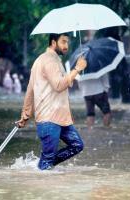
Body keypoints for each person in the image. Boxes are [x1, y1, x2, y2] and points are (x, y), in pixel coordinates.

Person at [16, 33, 87, 170]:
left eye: (67, 42)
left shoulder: (45, 60)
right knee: (48, 160)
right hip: (49, 120)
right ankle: (43, 170)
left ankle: (41, 166)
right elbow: (59, 85)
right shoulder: (49, 61)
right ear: (54, 43)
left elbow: (30, 90)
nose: (66, 46)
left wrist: (25, 114)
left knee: (77, 145)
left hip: (59, 118)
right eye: (63, 42)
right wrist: (77, 69)